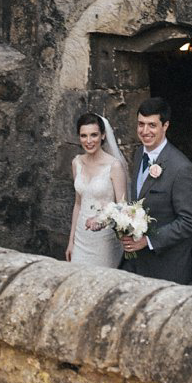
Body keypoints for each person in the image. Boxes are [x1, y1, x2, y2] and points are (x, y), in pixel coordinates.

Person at [119, 97, 192, 284]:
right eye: (141, 124)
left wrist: (147, 241)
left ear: (165, 126)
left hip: (170, 265)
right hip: (140, 263)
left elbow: (190, 221)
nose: (145, 131)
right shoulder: (139, 153)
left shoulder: (181, 168)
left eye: (152, 125)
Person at [66, 112, 128, 267]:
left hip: (104, 240)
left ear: (103, 135)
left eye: (93, 135)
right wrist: (71, 240)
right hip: (81, 238)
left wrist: (101, 221)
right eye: (83, 136)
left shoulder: (114, 166)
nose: (88, 141)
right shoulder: (76, 163)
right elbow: (78, 203)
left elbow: (122, 207)